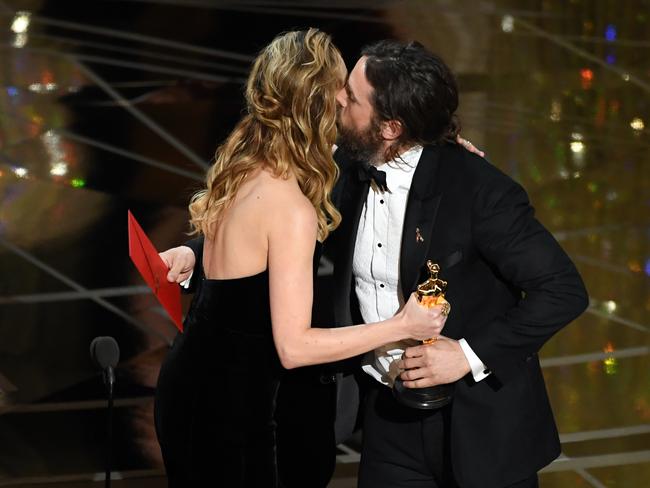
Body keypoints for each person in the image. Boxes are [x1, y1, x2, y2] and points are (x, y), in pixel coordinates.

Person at [163, 41, 588, 488]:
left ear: (390, 127)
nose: (337, 100)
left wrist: (466, 355)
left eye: (350, 96)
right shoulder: (343, 166)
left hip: (482, 427)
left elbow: (563, 290)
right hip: (387, 424)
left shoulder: (480, 191)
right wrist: (198, 254)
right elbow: (267, 216)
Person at [153, 30, 447, 488]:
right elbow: (293, 349)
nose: (346, 99)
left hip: (195, 387)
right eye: (341, 90)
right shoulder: (290, 207)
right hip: (224, 413)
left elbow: (241, 277)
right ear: (321, 103)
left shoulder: (249, 150)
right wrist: (402, 327)